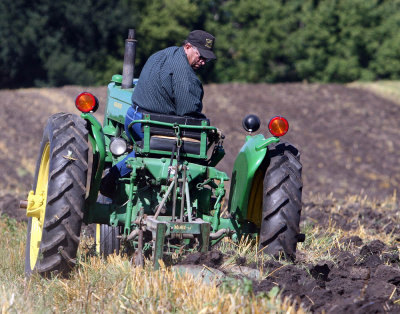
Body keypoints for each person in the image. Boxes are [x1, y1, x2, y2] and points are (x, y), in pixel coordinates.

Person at [100, 30, 216, 197]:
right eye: (201, 56)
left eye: (206, 59)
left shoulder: (164, 53)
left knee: (140, 150)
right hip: (151, 126)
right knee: (193, 142)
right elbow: (188, 111)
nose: (203, 62)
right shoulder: (185, 74)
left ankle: (113, 177)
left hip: (133, 116)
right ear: (188, 47)